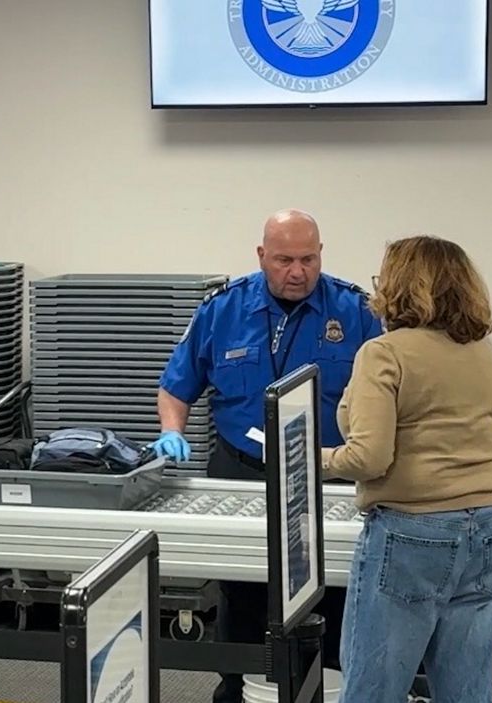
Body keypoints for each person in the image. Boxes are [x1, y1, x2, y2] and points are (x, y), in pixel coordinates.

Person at [153, 209, 381, 703]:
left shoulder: (355, 311)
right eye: (284, 260)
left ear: (321, 254)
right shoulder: (223, 310)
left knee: (333, 597)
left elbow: (393, 393)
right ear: (261, 256)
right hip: (243, 472)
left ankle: (328, 691)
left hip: (327, 478)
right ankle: (237, 690)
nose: (298, 271)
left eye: (308, 259)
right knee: (244, 595)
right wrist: (172, 431)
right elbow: (175, 387)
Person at [322, 236, 492, 703]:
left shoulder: (385, 353)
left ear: (399, 286)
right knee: (468, 689)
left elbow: (370, 457)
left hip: (412, 532)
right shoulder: (481, 350)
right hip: (489, 527)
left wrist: (311, 458)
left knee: (374, 688)